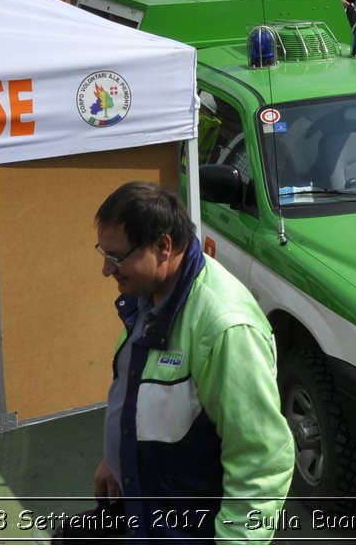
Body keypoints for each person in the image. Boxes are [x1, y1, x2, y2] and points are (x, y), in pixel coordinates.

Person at [91, 182, 293, 542]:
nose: (108, 270)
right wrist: (116, 460)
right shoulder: (147, 297)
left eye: (118, 258)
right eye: (103, 254)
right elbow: (137, 391)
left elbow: (262, 461)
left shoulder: (226, 328)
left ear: (164, 246)